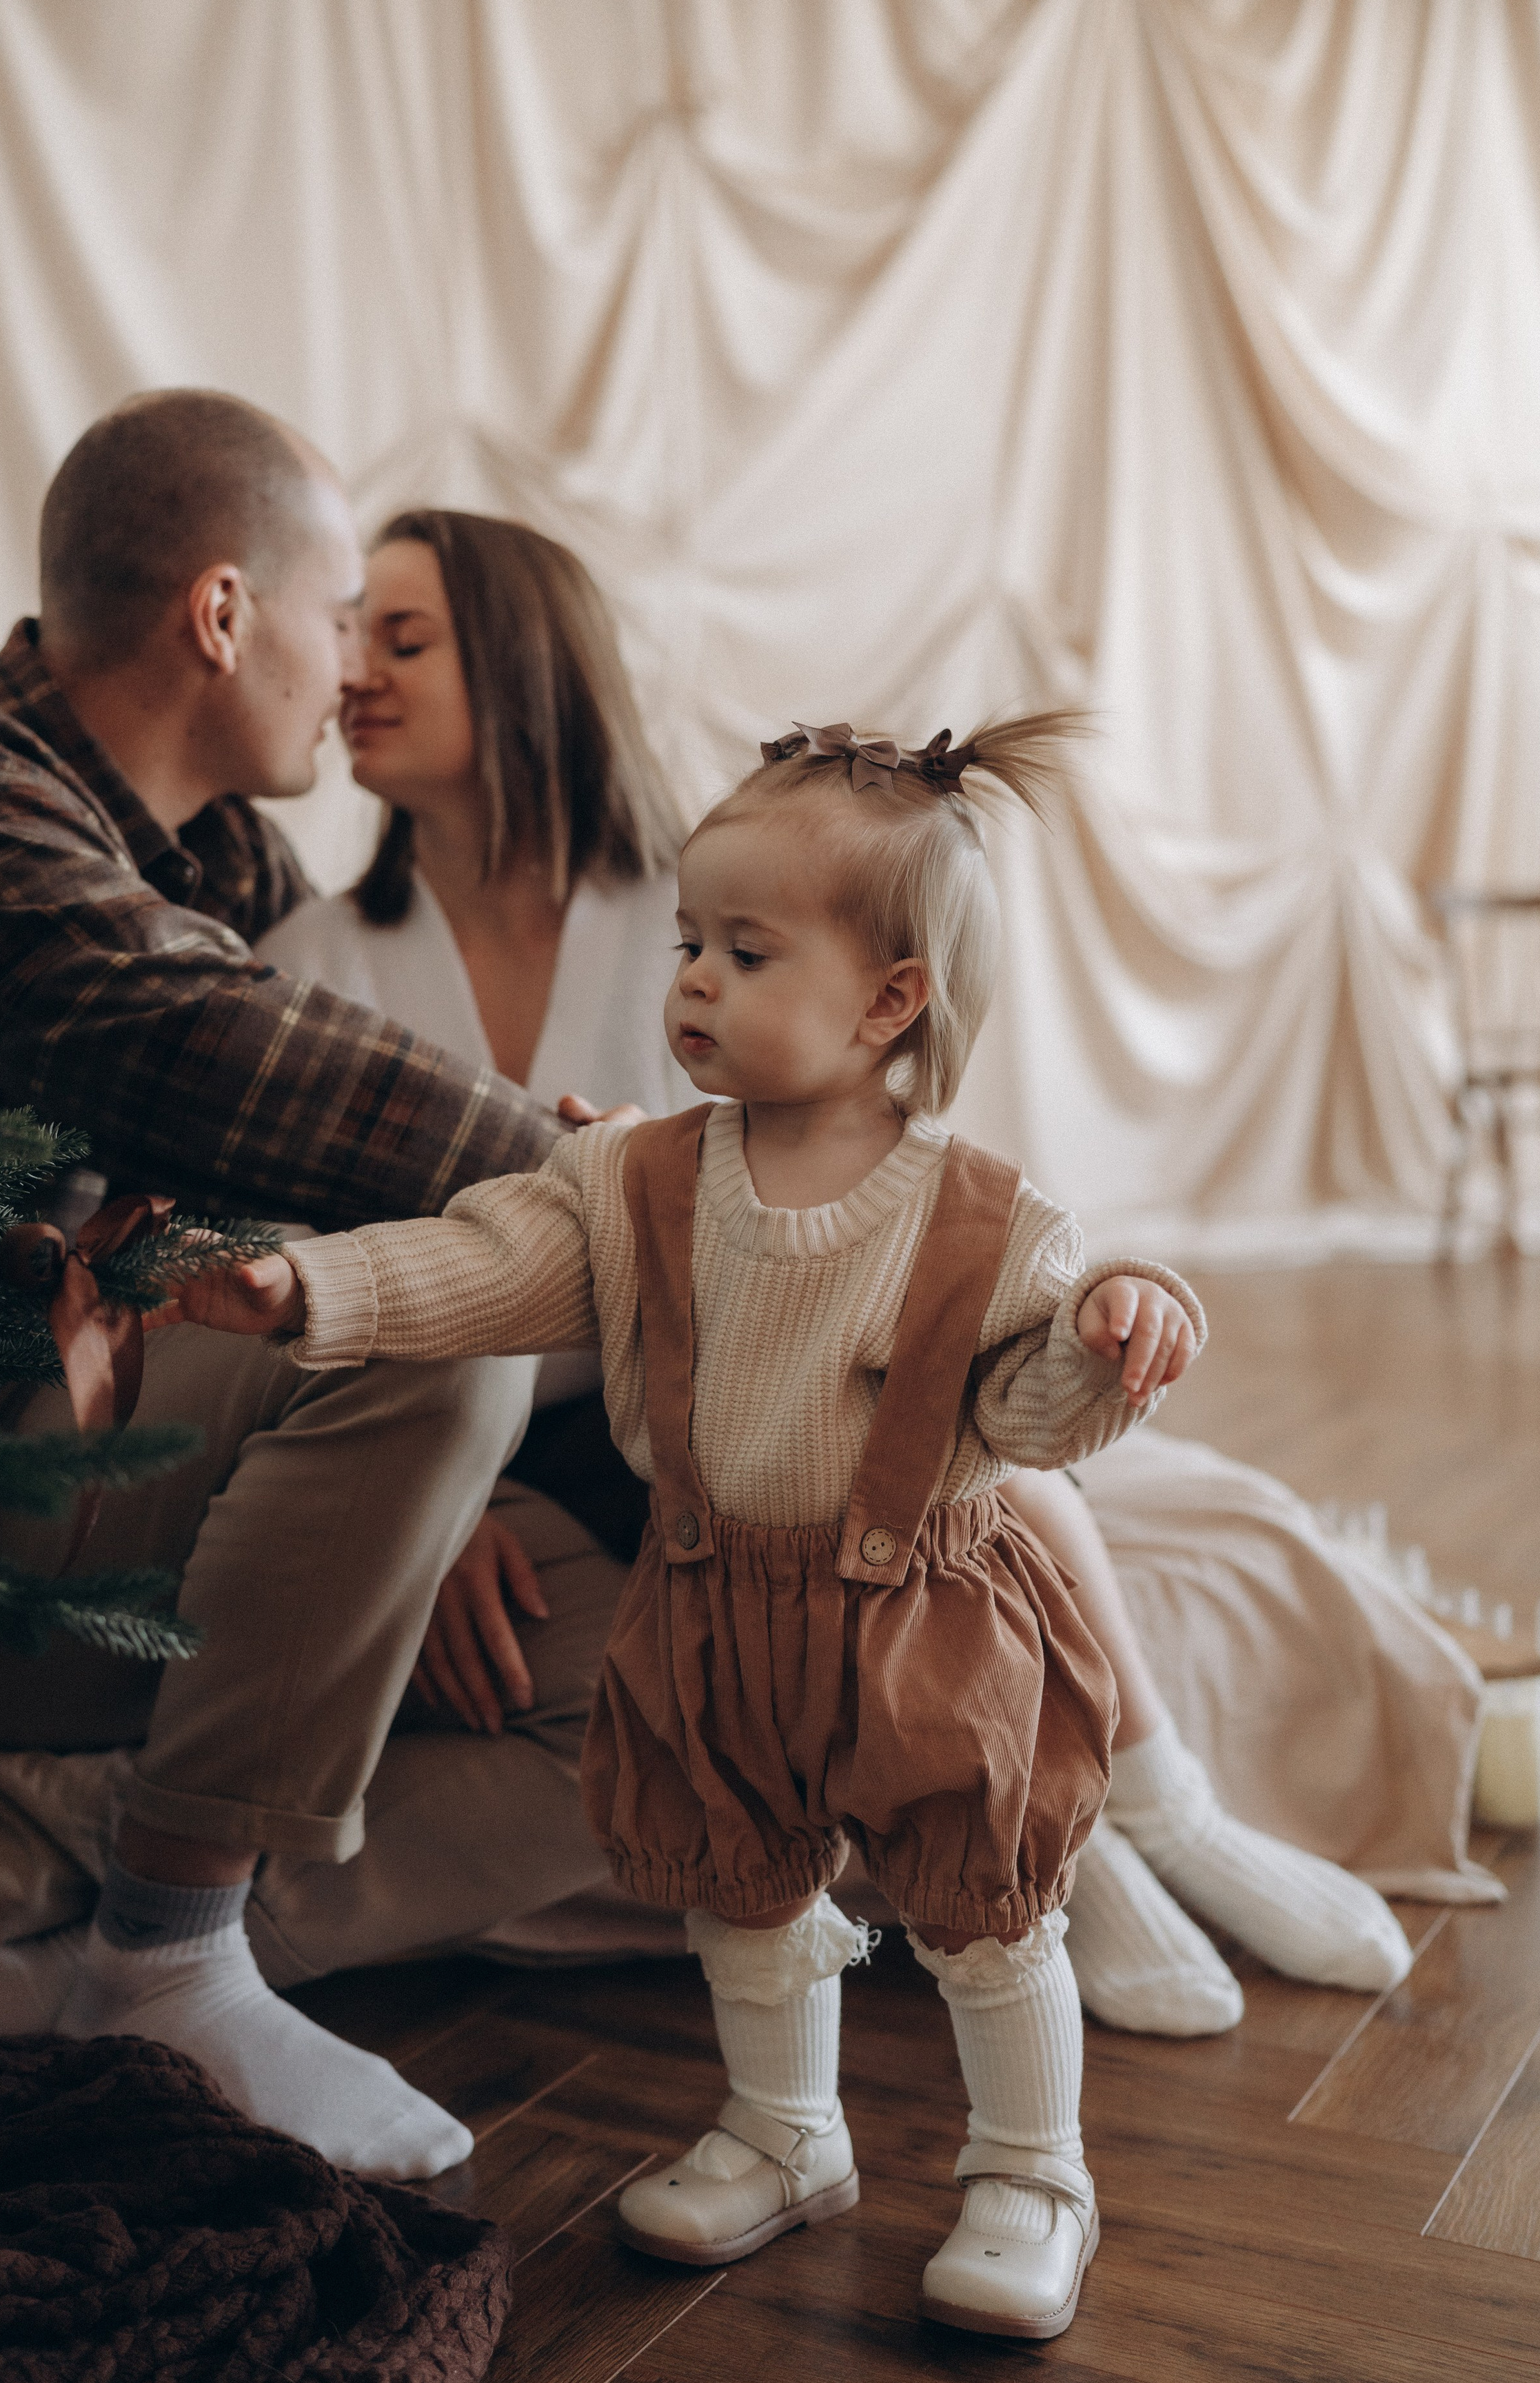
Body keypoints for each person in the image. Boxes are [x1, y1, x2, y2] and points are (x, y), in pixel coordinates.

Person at [257, 512, 1417, 2034]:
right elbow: (414, 1266)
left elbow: (870, 1166)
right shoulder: (305, 957)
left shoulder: (703, 912)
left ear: (528, 666)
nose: (350, 672)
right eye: (345, 636)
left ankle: (1140, 1818)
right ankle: (1073, 1855)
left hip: (770, 1355)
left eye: (399, 639)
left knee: (956, 1463)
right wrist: (428, 1495)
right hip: (533, 1416)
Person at [149, 709, 1206, 2342]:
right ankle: (787, 2131)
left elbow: (1019, 1418)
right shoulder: (633, 1179)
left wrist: (1109, 1334)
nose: (694, 981)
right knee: (743, 1886)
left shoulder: (987, 1218)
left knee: (982, 1913)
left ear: (888, 1001)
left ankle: (1029, 2172)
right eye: (690, 944)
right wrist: (314, 1284)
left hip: (917, 1614)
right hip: (710, 1602)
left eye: (747, 952)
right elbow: (483, 1262)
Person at [0, 394, 647, 2180]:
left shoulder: (223, 856)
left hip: (108, 1481)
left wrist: (432, 1523)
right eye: (342, 613)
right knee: (413, 1350)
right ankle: (171, 1947)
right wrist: (643, 1192)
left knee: (639, 1671)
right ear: (220, 617)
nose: (348, 666)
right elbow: (244, 1066)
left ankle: (71, 1929)